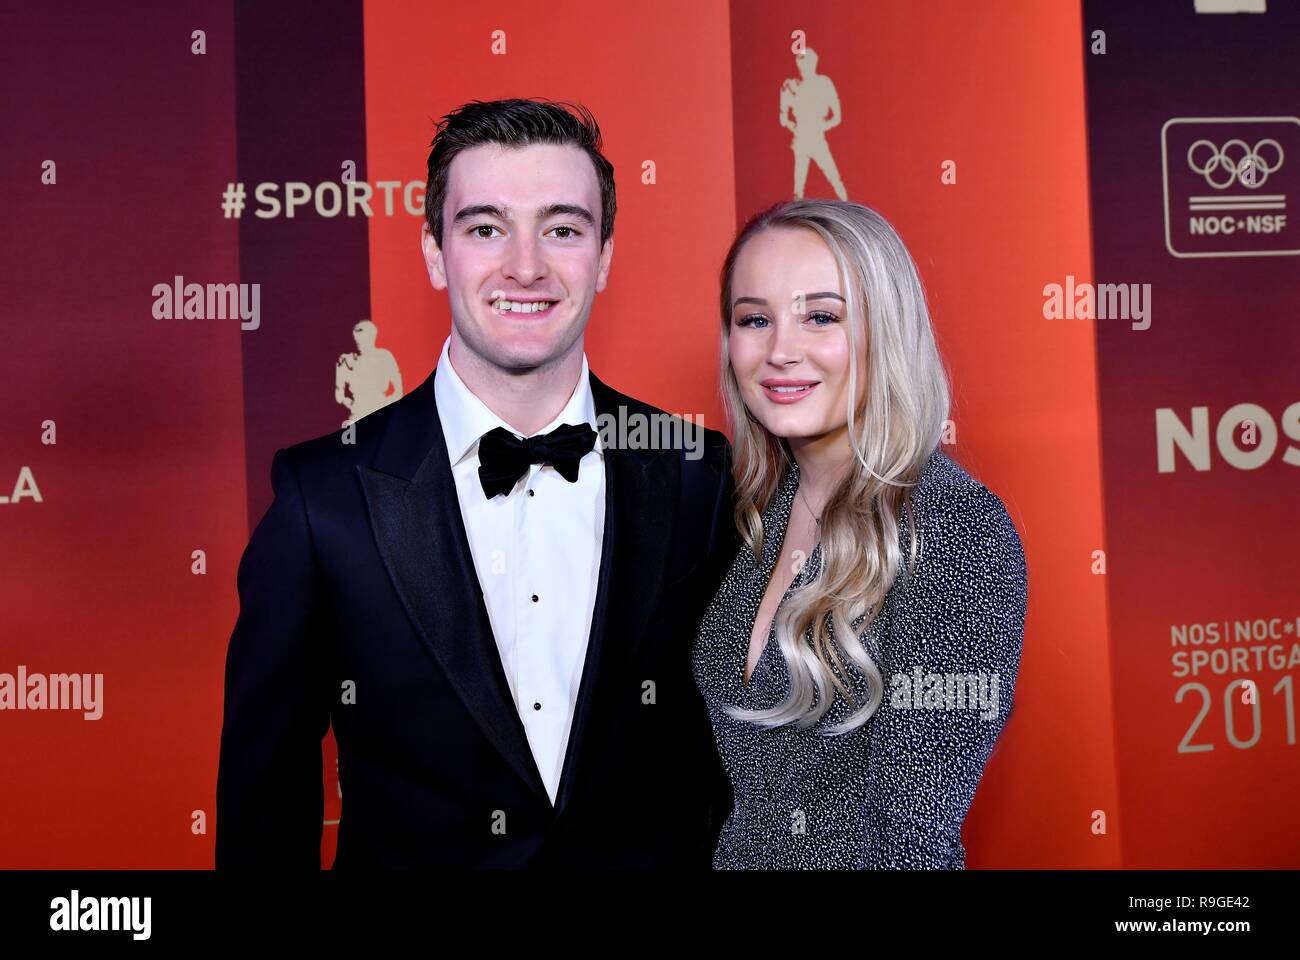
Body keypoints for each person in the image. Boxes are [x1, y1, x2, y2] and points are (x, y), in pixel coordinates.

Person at [216, 98, 737, 869]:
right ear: (435, 253)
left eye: (562, 230)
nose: (525, 267)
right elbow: (265, 815)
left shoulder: (699, 472)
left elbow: (738, 767)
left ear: (604, 257)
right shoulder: (321, 498)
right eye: (486, 228)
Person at [692, 198, 1028, 869]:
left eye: (821, 317)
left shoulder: (956, 530)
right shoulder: (758, 509)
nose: (781, 351)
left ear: (887, 331)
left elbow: (910, 837)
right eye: (755, 319)